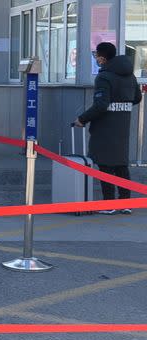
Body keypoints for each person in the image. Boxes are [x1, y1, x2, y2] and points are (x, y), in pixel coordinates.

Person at [75, 42, 142, 215]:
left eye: (96, 55)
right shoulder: (129, 74)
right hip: (123, 125)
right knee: (121, 163)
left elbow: (101, 105)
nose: (96, 58)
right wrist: (121, 105)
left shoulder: (104, 77)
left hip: (105, 126)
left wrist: (82, 119)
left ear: (103, 58)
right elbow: (137, 98)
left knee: (105, 164)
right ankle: (125, 202)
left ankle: (109, 203)